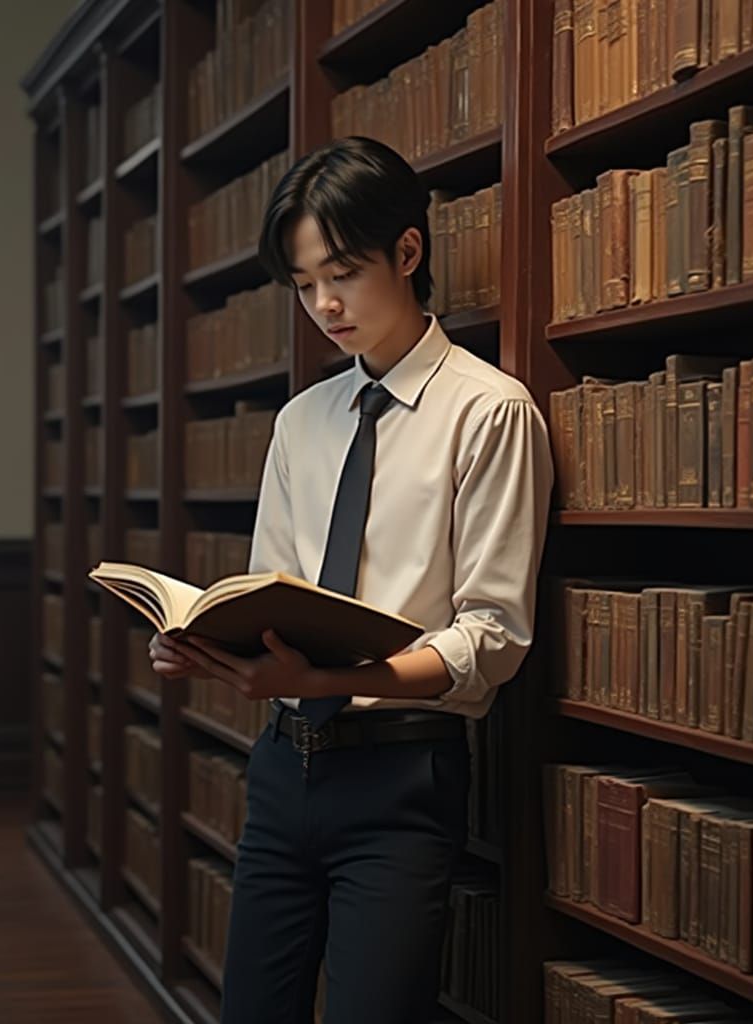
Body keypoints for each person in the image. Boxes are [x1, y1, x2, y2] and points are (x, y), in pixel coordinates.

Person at [150, 136, 553, 1024]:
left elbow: (489, 639)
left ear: (408, 253)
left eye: (343, 273)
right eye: (303, 284)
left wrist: (327, 681)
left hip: (402, 776)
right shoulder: (302, 422)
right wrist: (208, 643)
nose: (324, 305)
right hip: (282, 771)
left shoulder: (488, 414)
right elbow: (271, 593)